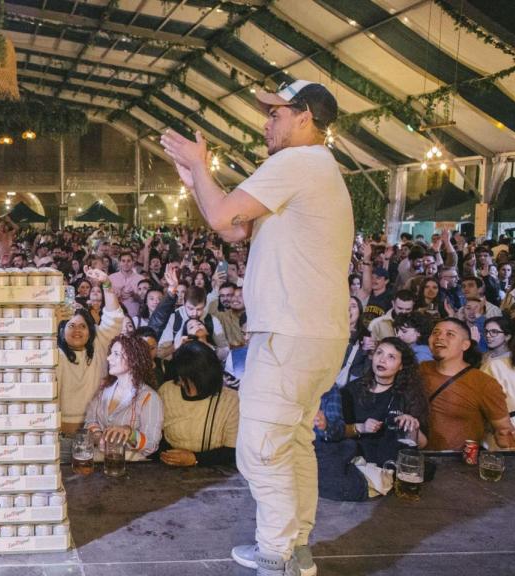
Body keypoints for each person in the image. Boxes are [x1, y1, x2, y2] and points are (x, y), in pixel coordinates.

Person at [164, 79, 352, 576]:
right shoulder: (319, 169)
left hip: (292, 334)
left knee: (260, 450)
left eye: (276, 114)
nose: (266, 122)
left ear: (304, 115)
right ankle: (296, 547)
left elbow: (225, 213)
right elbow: (232, 228)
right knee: (292, 442)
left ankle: (277, 556)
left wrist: (203, 169)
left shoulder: (297, 162)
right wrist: (194, 178)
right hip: (316, 334)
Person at [420, 318, 515, 451]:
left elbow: (504, 431)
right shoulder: (421, 370)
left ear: (465, 345)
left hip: (460, 465)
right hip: (418, 457)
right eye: (435, 332)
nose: (440, 337)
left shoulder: (484, 384)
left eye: (450, 334)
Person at [341, 338, 429, 464]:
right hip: (357, 464)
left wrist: (412, 428)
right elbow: (336, 432)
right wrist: (361, 427)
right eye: (379, 353)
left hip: (393, 467)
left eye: (391, 357)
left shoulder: (410, 394)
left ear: (401, 366)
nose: (382, 360)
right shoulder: (352, 390)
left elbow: (422, 444)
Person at [57, 268, 123, 435]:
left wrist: (106, 284)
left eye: (83, 326)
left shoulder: (99, 345)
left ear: (91, 330)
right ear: (61, 331)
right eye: (71, 326)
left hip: (94, 433)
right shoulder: (53, 352)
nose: (77, 330)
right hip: (58, 434)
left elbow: (114, 318)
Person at [157, 340, 239, 468]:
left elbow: (233, 451)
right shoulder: (166, 391)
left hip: (215, 470)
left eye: (186, 380)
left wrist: (195, 458)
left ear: (204, 378)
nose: (180, 383)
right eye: (179, 378)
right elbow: (156, 435)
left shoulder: (230, 400)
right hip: (171, 467)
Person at [83, 335, 163, 460]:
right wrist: (99, 437)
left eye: (116, 354)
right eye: (110, 353)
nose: (109, 358)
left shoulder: (149, 397)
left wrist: (130, 433)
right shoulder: (104, 389)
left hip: (131, 467)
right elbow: (90, 421)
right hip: (99, 462)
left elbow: (151, 444)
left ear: (133, 359)